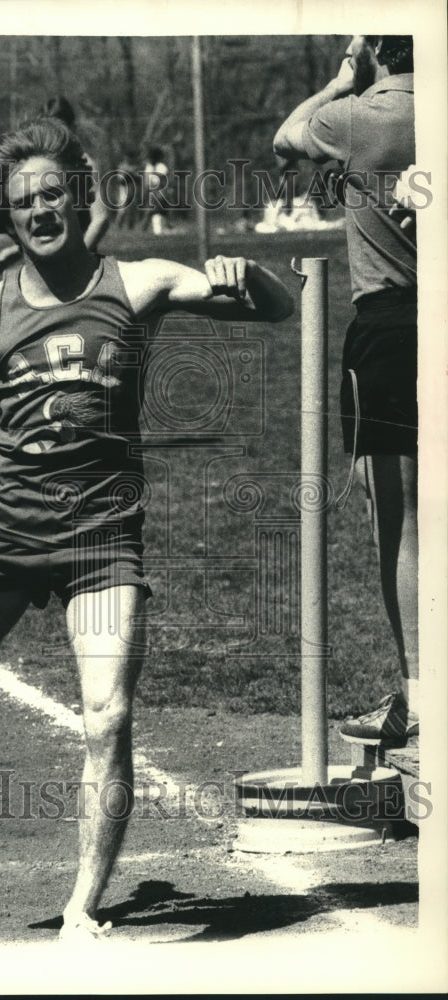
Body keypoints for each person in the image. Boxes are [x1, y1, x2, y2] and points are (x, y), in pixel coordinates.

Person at [0, 117, 294, 941]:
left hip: (100, 539)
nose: (39, 209)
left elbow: (279, 311)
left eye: (52, 192)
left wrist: (248, 274)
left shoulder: (141, 282)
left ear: (78, 195)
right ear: (6, 219)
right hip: (3, 529)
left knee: (107, 715)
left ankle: (85, 904)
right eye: (21, 203)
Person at [274, 35, 418, 746]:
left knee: (403, 528)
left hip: (390, 328)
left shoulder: (361, 115)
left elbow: (284, 139)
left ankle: (419, 693)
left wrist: (338, 78)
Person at [0, 96, 111, 274]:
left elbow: (100, 219)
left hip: (80, 265)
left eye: (60, 128)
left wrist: (75, 259)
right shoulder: (39, 164)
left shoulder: (85, 164)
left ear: (72, 128)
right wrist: (17, 251)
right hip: (50, 262)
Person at [142, 146, 170, 236]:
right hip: (152, 192)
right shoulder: (149, 167)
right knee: (153, 210)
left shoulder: (161, 167)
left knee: (161, 210)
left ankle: (167, 226)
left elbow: (163, 180)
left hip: (159, 191)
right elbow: (146, 180)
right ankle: (145, 228)